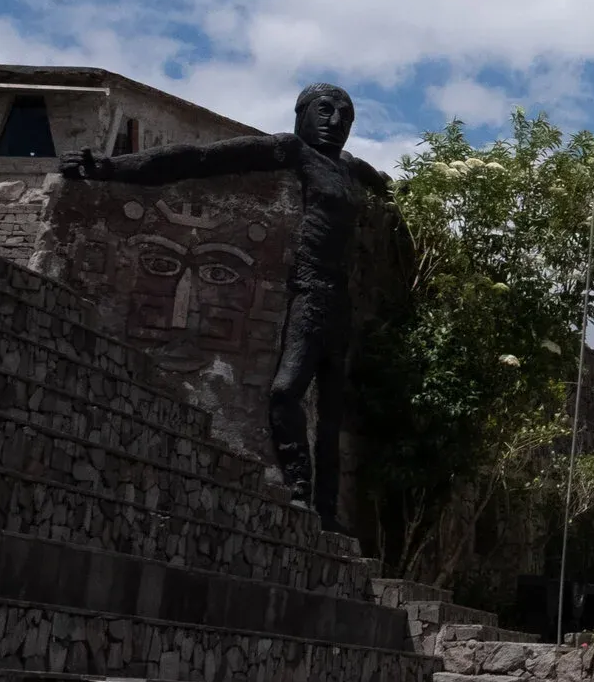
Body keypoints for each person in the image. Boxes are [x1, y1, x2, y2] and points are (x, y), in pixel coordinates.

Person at [61, 83, 388, 529]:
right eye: (325, 110)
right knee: (285, 391)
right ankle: (297, 488)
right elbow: (201, 159)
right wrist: (108, 166)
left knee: (332, 414)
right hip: (309, 290)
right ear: (302, 115)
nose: (336, 122)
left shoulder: (349, 168)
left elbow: (385, 186)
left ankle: (326, 515)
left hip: (339, 300)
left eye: (345, 116)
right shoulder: (292, 151)